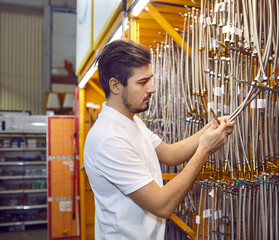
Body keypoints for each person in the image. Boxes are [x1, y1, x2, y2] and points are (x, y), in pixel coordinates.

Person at [84, 39, 235, 240]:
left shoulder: (132, 122)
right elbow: (162, 205)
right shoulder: (108, 139)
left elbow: (170, 154)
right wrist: (204, 150)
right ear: (115, 86)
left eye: (150, 79)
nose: (152, 88)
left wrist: (210, 129)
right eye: (142, 82)